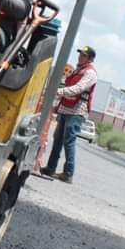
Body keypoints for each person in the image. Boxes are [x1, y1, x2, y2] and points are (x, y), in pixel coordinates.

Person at [41, 46, 98, 184]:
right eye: (80, 55)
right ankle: (51, 167)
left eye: (84, 55)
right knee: (58, 139)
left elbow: (78, 89)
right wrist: (57, 104)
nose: (80, 57)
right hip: (66, 108)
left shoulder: (90, 73)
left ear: (90, 59)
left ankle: (68, 173)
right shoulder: (78, 70)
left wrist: (58, 91)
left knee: (69, 141)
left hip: (77, 111)